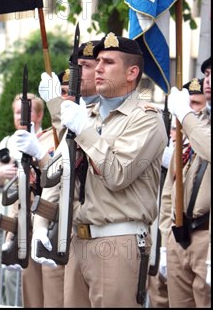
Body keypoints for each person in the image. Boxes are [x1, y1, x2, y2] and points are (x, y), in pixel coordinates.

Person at [37, 32, 167, 307]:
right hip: (79, 239)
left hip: (118, 239)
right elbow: (62, 173)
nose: (98, 68)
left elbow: (117, 175)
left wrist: (83, 129)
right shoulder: (90, 115)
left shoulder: (146, 119)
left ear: (132, 72)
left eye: (108, 62)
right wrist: (41, 221)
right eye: (96, 62)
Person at [0, 92, 65, 308]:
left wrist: (40, 154)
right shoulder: (22, 141)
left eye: (27, 111)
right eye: (17, 112)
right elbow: (19, 193)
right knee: (32, 299)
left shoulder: (53, 139)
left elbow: (56, 179)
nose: (21, 116)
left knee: (54, 298)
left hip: (52, 227)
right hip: (27, 227)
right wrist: (10, 236)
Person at [159, 56, 210, 307]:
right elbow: (170, 190)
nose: (208, 80)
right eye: (207, 73)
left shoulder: (193, 123)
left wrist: (186, 115)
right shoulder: (196, 124)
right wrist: (164, 239)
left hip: (207, 236)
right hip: (179, 233)